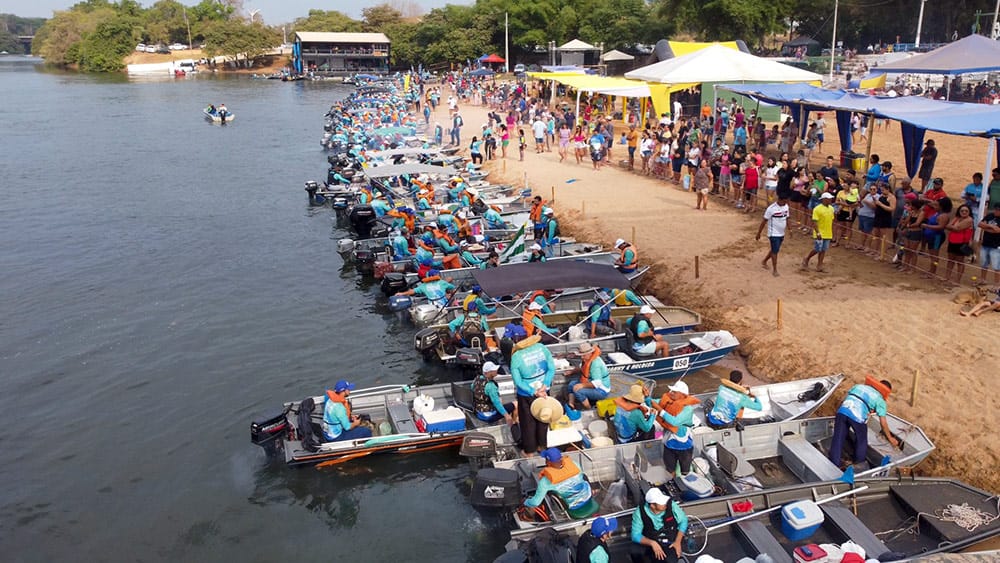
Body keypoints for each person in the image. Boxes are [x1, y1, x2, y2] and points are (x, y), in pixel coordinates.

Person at [828, 377, 899, 468]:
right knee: (861, 441)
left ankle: (833, 464)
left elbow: (845, 399)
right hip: (857, 416)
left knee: (838, 438)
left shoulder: (859, 386)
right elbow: (883, 423)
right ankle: (859, 464)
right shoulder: (880, 400)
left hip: (842, 411)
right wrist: (890, 438)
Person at [509, 334, 556, 454]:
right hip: (544, 390)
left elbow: (518, 381)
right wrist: (545, 385)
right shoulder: (542, 348)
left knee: (528, 423)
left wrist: (534, 392)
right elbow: (551, 368)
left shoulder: (516, 356)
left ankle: (529, 450)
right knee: (543, 417)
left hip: (527, 394)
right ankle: (542, 446)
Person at [523, 448, 599, 518]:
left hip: (573, 507)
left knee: (549, 493)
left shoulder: (546, 481)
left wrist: (526, 502)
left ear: (547, 461)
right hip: (588, 497)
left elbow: (536, 502)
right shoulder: (575, 465)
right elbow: (582, 476)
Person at [629, 487, 688, 563]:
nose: (665, 504)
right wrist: (652, 543)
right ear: (652, 505)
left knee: (670, 560)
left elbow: (683, 521)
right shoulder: (639, 512)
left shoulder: (671, 505)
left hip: (670, 541)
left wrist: (677, 542)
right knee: (634, 551)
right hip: (650, 540)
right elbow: (635, 535)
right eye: (661, 503)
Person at [656, 381, 697, 476]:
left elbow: (675, 422)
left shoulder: (687, 409)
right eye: (672, 391)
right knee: (670, 470)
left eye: (675, 391)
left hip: (684, 447)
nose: (671, 393)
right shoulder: (668, 402)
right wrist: (646, 398)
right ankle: (674, 483)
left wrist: (661, 411)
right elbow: (654, 402)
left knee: (685, 472)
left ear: (682, 395)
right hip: (669, 445)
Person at [566, 342, 611, 410]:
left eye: (583, 355)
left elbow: (597, 383)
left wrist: (581, 385)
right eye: (581, 355)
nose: (582, 357)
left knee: (578, 391)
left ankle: (589, 409)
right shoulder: (586, 359)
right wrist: (572, 371)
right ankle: (571, 404)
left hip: (602, 389)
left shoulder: (595, 364)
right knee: (571, 384)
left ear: (590, 353)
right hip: (590, 381)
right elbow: (583, 369)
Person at [757, 193, 790, 277]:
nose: (787, 202)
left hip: (781, 232)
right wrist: (759, 233)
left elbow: (787, 218)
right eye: (786, 200)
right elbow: (764, 221)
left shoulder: (786, 206)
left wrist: (790, 229)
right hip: (773, 233)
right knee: (775, 251)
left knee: (775, 249)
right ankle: (775, 269)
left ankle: (764, 261)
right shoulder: (771, 209)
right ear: (781, 200)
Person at [802, 192, 836, 272]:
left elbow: (832, 220)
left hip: (828, 232)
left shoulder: (831, 208)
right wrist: (817, 232)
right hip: (820, 232)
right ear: (824, 199)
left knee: (823, 249)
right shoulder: (817, 209)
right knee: (817, 249)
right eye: (829, 199)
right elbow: (814, 222)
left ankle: (819, 265)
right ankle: (807, 258)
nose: (830, 200)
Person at [978, 203, 1000, 285]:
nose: (996, 211)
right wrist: (991, 227)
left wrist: (986, 227)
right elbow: (980, 224)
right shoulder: (990, 215)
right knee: (984, 263)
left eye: (998, 210)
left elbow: (997, 231)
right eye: (995, 209)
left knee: (996, 266)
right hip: (986, 243)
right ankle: (983, 280)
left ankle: (997, 284)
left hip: (996, 246)